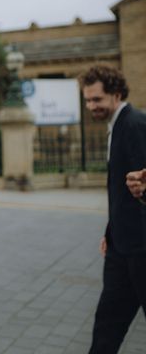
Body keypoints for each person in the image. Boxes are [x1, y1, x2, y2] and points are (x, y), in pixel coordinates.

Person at [79, 64, 146, 354]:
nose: (91, 106)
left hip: (142, 249)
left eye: (97, 100)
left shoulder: (134, 124)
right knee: (107, 324)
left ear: (116, 94)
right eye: (87, 100)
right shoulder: (117, 125)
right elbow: (121, 192)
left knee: (108, 325)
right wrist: (111, 231)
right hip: (122, 247)